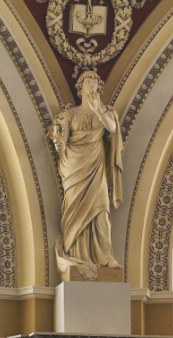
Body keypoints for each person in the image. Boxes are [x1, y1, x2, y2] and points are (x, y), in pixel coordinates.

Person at [49, 69, 123, 279]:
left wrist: (97, 109)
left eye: (95, 84)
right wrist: (58, 137)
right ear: (80, 88)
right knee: (74, 207)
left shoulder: (106, 113)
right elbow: (60, 142)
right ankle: (75, 251)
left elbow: (111, 128)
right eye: (88, 83)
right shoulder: (69, 114)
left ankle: (104, 255)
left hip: (95, 165)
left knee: (101, 209)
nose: (92, 86)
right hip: (74, 166)